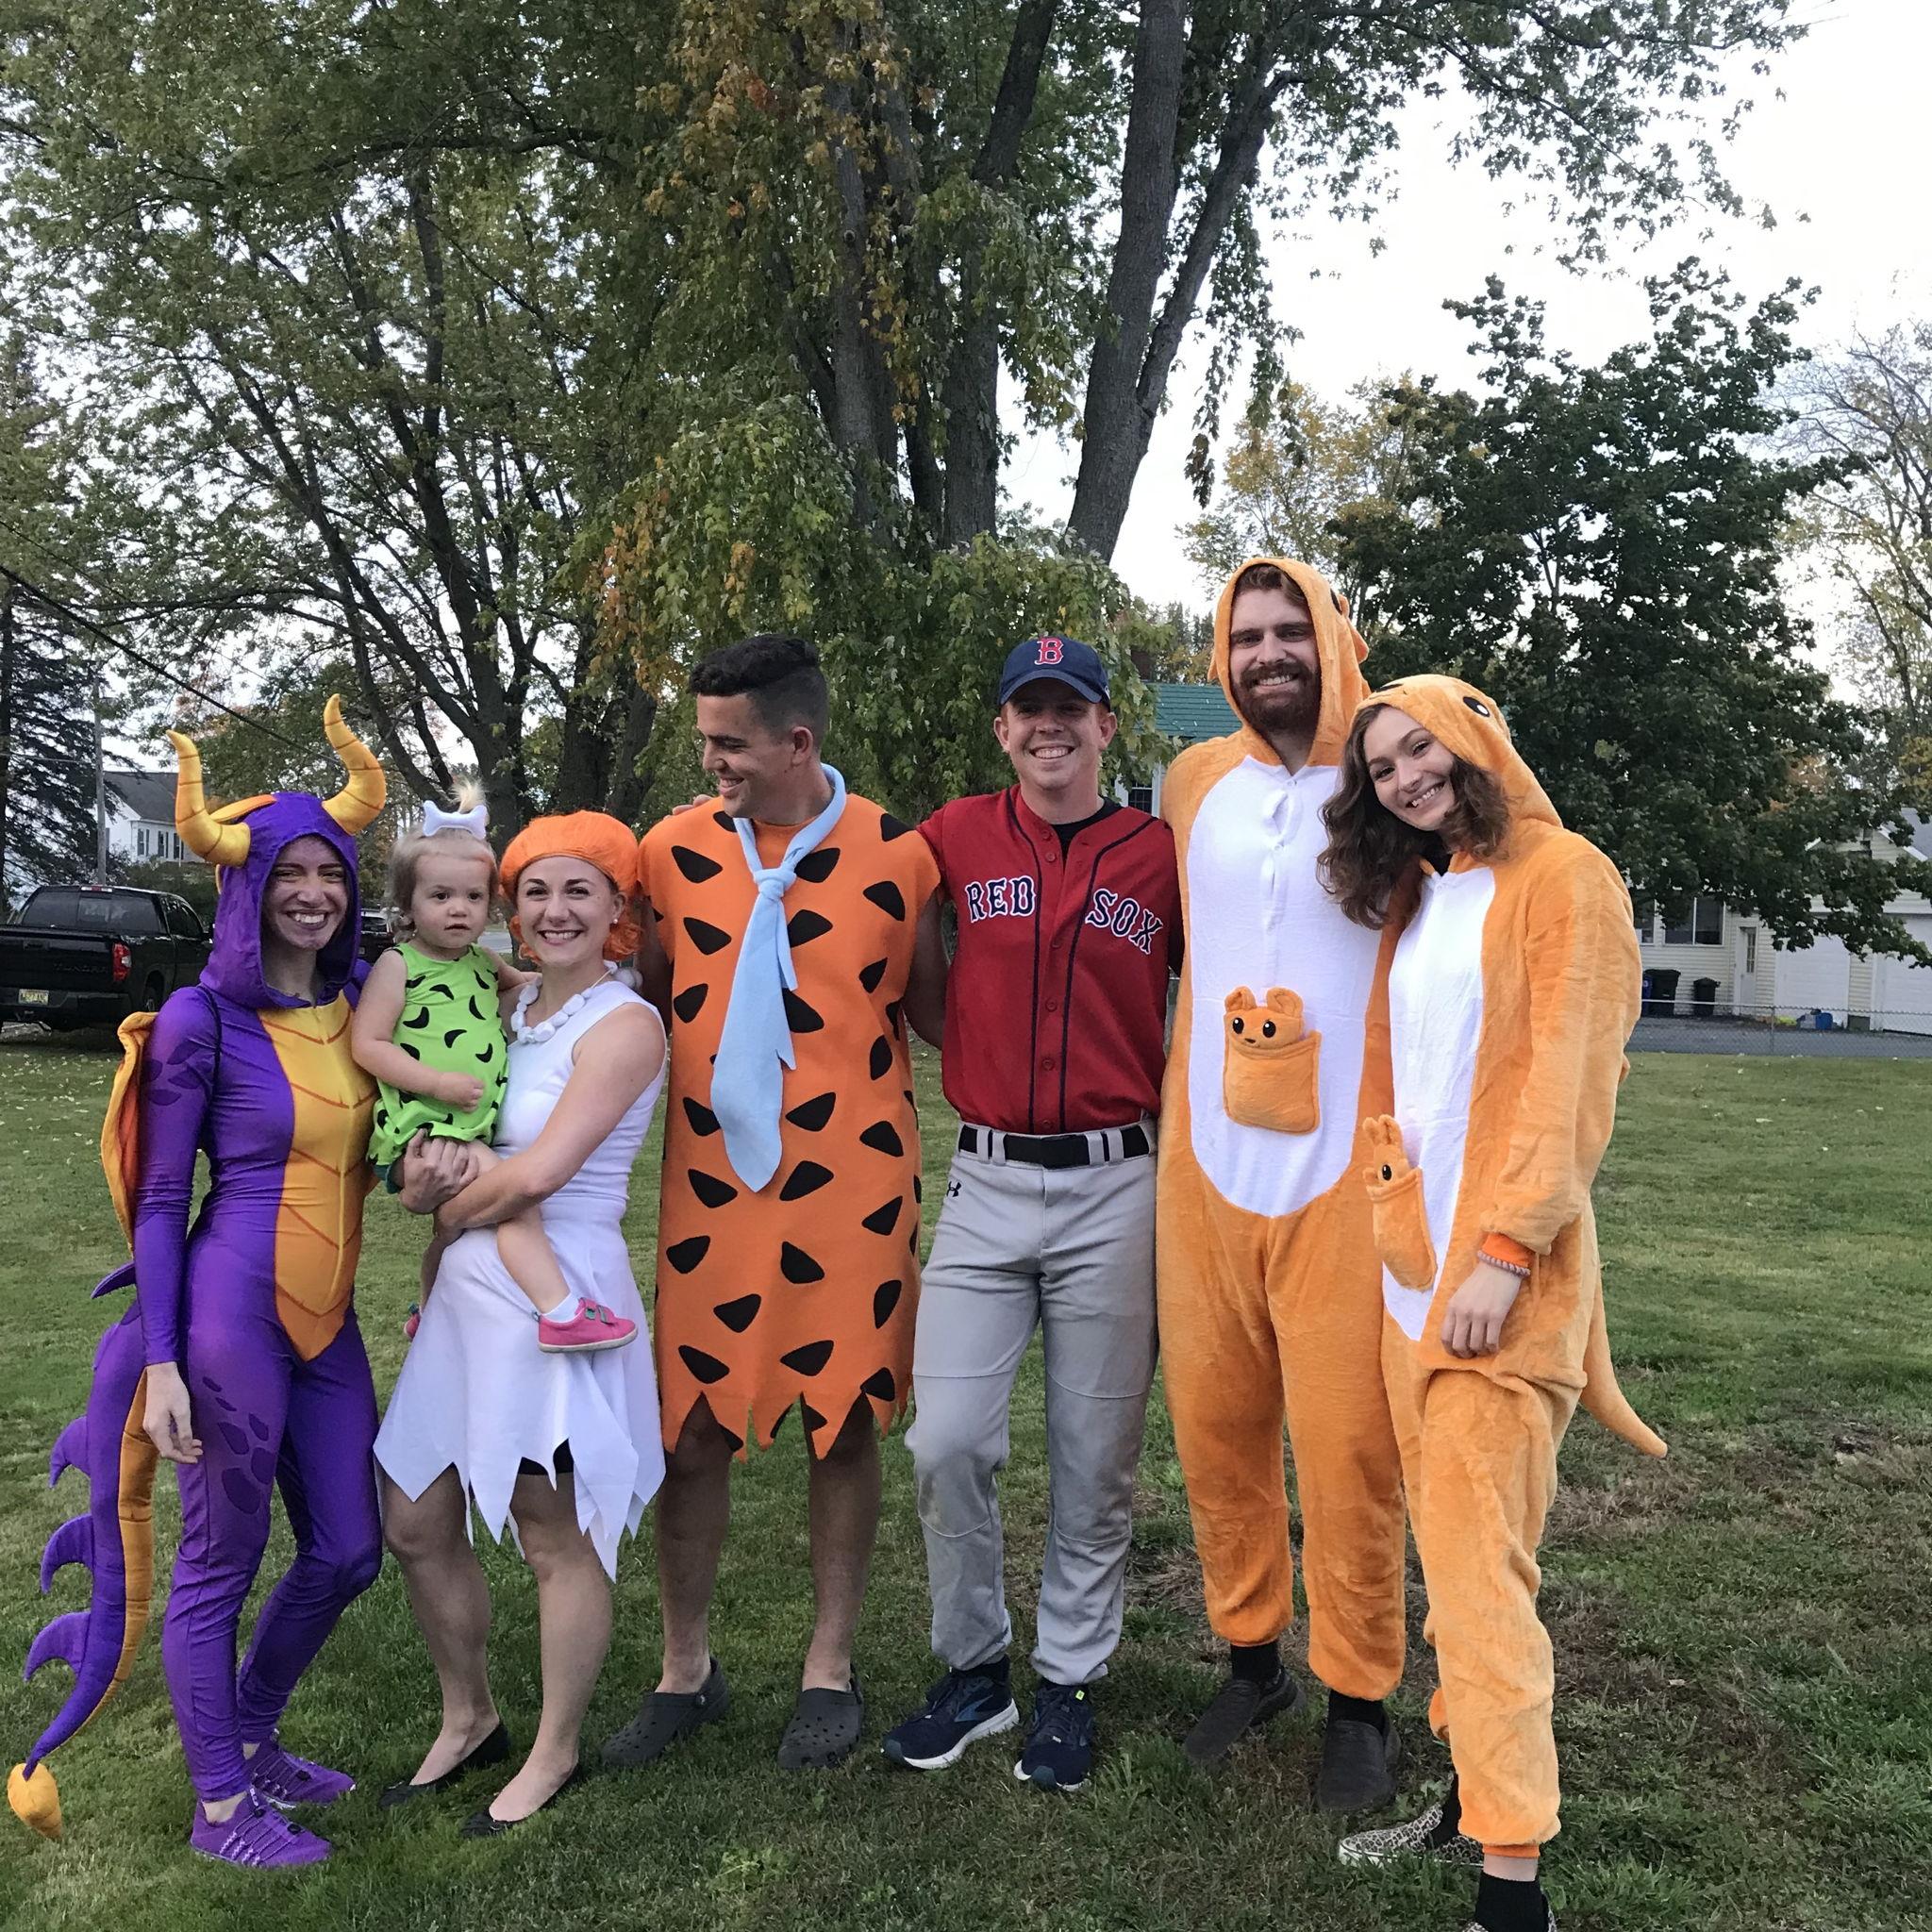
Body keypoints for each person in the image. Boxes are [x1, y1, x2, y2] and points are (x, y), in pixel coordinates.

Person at [10, 701, 389, 1867]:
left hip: (329, 1322)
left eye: (330, 870)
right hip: (229, 1319)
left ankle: (254, 1736)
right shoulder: (197, 1020)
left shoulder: (364, 994)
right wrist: (164, 1361)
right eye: (290, 872)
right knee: (221, 1561)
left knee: (348, 1550)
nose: (313, 891)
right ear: (251, 884)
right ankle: (220, 1805)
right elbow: (165, 1202)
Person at [1319, 676, 1665, 1932]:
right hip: (1414, 1293)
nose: (1407, 777)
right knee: (1456, 1570)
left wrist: (1505, 1256)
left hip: (1497, 1303)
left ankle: (1511, 1885)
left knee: (1479, 1591)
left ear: (1472, 741)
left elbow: (1570, 1088)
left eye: (1422, 748)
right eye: (1383, 768)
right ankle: (1473, 1798)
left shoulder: (1565, 875)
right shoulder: (1429, 892)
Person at [608, 633, 944, 1774]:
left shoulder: (899, 854)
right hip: (710, 1186)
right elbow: (632, 1005)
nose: (711, 764)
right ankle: (683, 1668)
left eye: (727, 745)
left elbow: (939, 1012)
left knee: (841, 1416)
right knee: (689, 1424)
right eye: (706, 743)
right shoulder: (666, 854)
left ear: (797, 741)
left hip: (853, 1182)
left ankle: (829, 1668)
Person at [880, 634, 1179, 1792]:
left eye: (1072, 707)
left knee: (1091, 1452)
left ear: (1108, 726)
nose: (1048, 726)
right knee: (944, 1437)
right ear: (1002, 729)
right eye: (1027, 709)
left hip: (1118, 1180)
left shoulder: (1162, 853)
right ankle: (973, 1668)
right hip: (989, 1176)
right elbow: (885, 939)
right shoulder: (951, 835)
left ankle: (1067, 1678)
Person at [1156, 556, 1408, 1807]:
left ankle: (1361, 1692)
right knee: (1213, 1430)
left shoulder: (1390, 779)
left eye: (1288, 632)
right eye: (1246, 635)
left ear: (1331, 639)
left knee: (1350, 1445)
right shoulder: (1194, 780)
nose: (1267, 655)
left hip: (1343, 1184)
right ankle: (1253, 1659)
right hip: (1202, 1171)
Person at [373, 811, 667, 1835]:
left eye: (580, 890)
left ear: (618, 909)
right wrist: (421, 1189)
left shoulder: (624, 1026)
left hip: (559, 1284)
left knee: (552, 1531)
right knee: (412, 1516)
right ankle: (469, 1717)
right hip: (465, 1285)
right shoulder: (501, 1007)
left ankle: (554, 1749)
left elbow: (542, 1173)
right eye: (536, 890)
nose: (555, 910)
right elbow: (426, 1152)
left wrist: (439, 1199)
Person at [353, 792, 637, 1354]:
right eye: (440, 897)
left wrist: (608, 982)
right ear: (408, 906)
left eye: (473, 897)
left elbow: (530, 984)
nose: (458, 910)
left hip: (465, 1124)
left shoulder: (484, 965)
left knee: (450, 1226)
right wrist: (437, 1086)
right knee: (514, 1201)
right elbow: (367, 1043)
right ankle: (559, 1310)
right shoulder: (398, 964)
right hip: (429, 1121)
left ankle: (427, 1308)